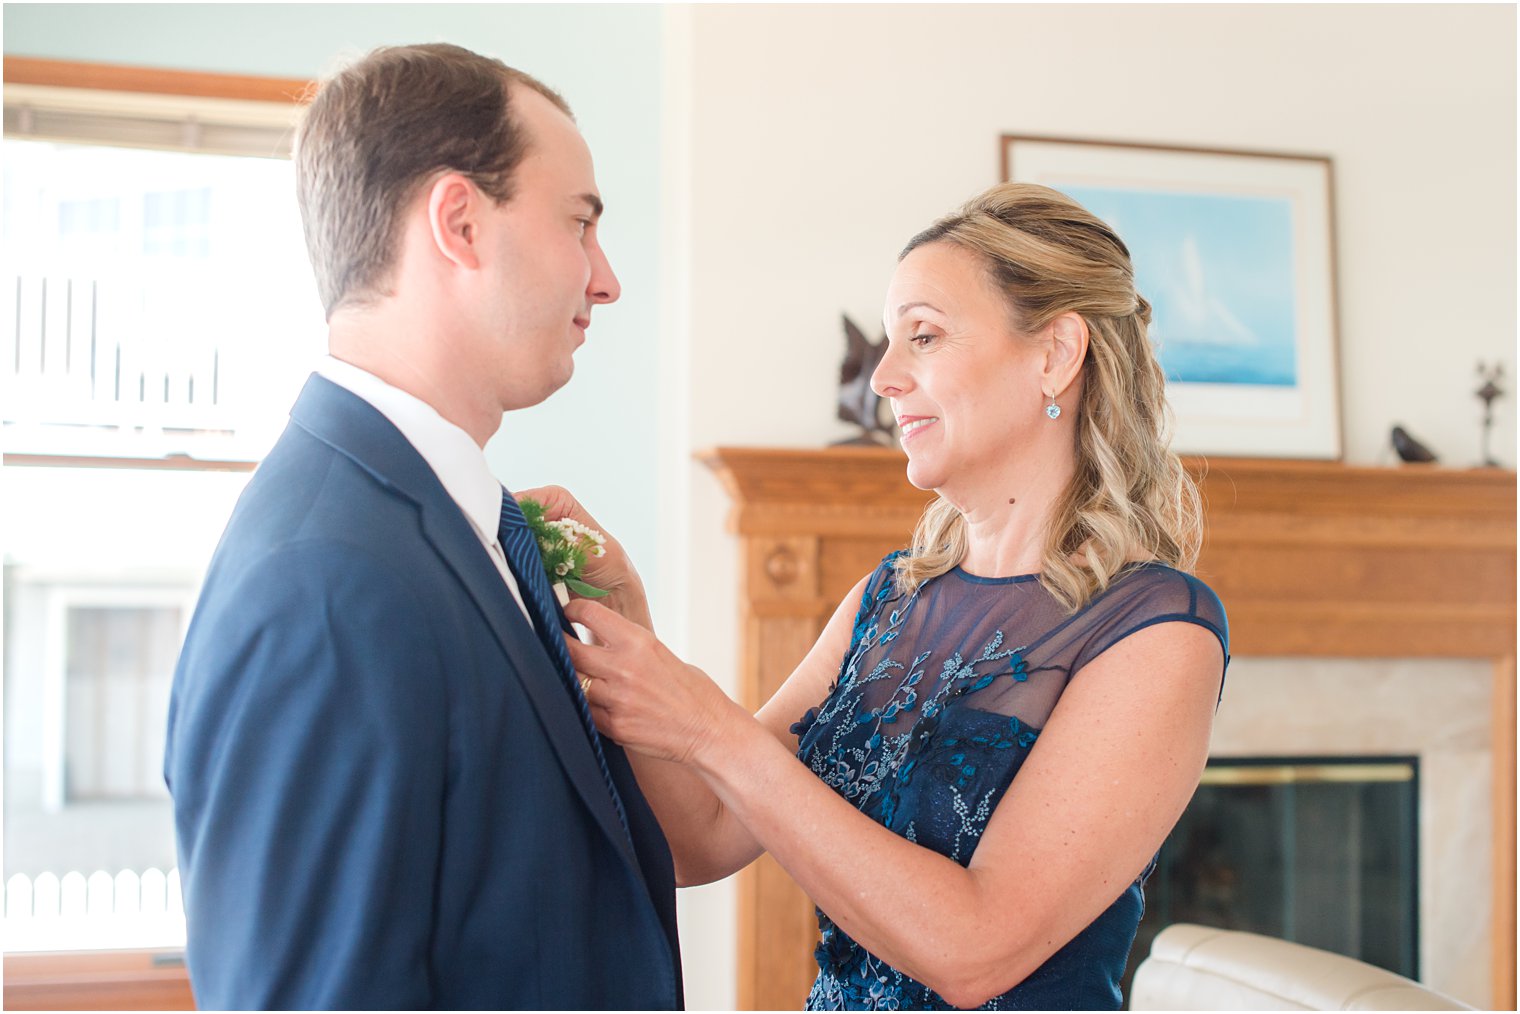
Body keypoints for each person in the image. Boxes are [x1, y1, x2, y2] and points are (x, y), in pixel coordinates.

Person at [542, 182, 1229, 1010]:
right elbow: (704, 839)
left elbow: (976, 953)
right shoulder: (888, 599)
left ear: (1055, 354)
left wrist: (711, 727)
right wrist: (624, 618)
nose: (885, 378)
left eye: (925, 337)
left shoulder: (1157, 632)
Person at [163, 44, 681, 1010]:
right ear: (459, 222)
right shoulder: (323, 584)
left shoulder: (437, 524)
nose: (604, 281)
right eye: (579, 223)